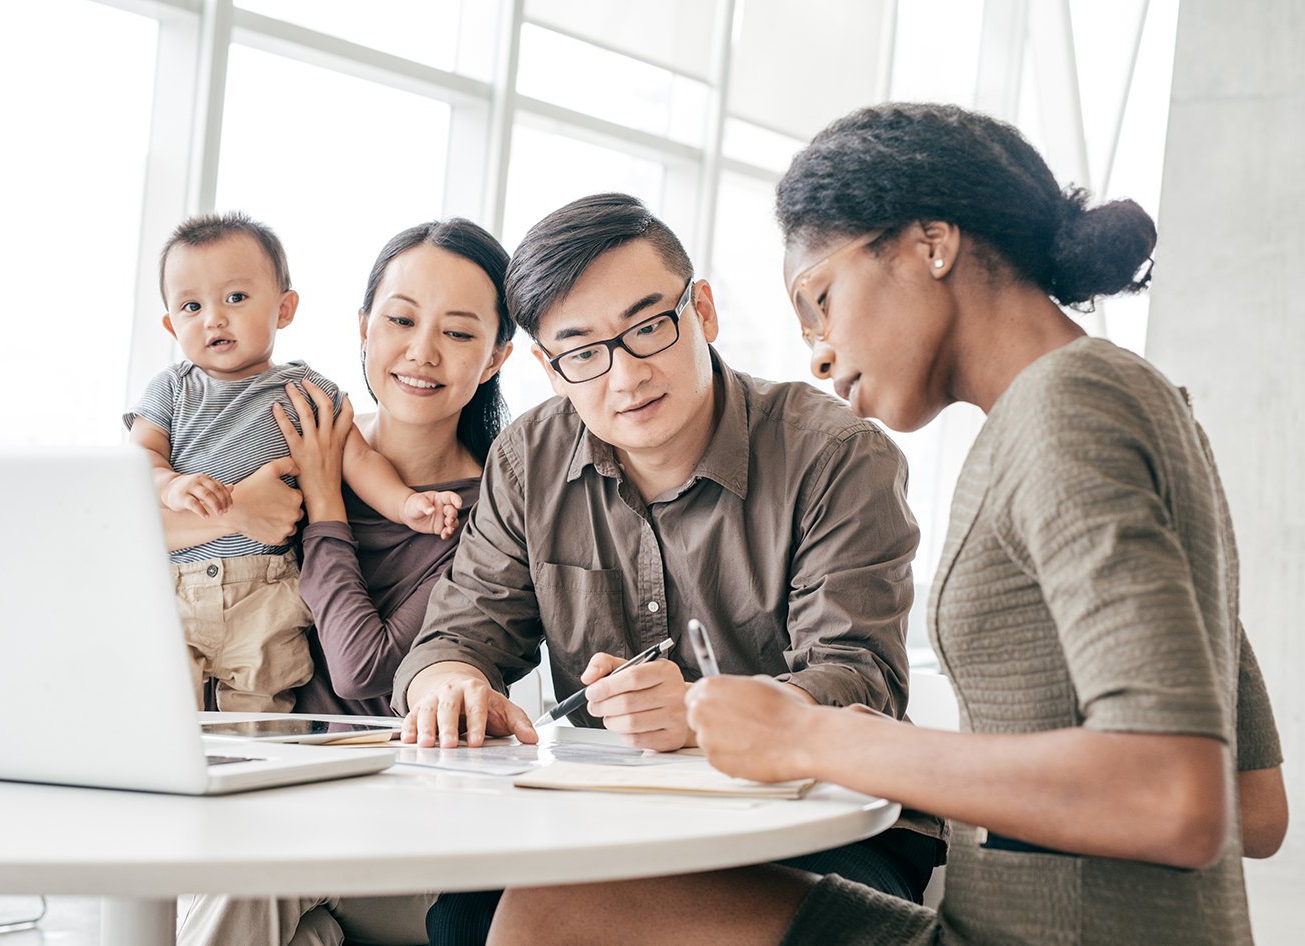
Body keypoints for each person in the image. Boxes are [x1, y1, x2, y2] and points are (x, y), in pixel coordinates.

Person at [486, 103, 1290, 946]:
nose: (818, 351)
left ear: (930, 243)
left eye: (820, 297)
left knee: (552, 908)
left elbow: (1172, 795)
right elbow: (1254, 802)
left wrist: (810, 734)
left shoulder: (1069, 413)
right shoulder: (1123, 398)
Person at [391, 193, 946, 945]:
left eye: (649, 327)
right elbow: (461, 631)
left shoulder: (834, 455)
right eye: (583, 352)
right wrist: (447, 680)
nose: (625, 377)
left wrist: (698, 713)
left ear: (703, 313)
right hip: (614, 814)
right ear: (550, 369)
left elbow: (860, 678)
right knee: (463, 916)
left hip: (820, 821)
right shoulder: (529, 458)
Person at [174, 218, 516, 946]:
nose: (421, 352)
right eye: (399, 320)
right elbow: (154, 538)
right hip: (267, 797)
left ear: (496, 358)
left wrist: (326, 504)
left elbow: (366, 669)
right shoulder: (301, 434)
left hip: (404, 836)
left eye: (458, 333)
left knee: (249, 880)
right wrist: (234, 506)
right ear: (363, 328)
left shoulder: (490, 514)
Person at [125, 212, 462, 713]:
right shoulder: (171, 390)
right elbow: (138, 463)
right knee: (159, 712)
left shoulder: (307, 392)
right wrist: (171, 487)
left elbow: (358, 459)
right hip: (177, 590)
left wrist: (406, 504)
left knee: (258, 717)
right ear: (173, 324)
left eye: (235, 298)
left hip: (269, 591)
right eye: (191, 306)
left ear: (284, 309)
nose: (213, 318)